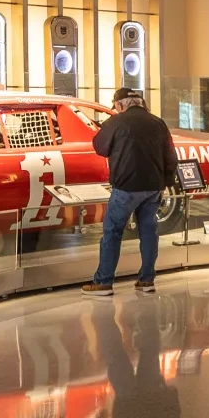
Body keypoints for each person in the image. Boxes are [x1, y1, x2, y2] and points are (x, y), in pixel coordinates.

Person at [83, 87, 180, 297]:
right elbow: (171, 158)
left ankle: (103, 282)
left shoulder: (116, 122)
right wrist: (164, 183)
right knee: (148, 232)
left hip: (126, 187)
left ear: (120, 105)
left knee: (112, 231)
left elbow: (100, 147)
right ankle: (146, 280)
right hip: (153, 188)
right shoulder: (158, 123)